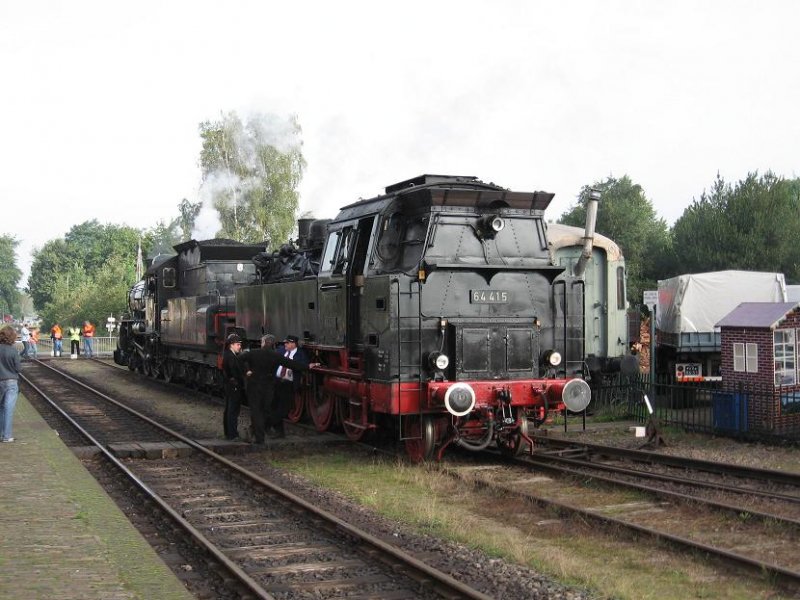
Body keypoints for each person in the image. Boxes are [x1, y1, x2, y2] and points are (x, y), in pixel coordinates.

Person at [240, 334, 311, 445]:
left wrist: (246, 372)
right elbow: (292, 364)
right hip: (268, 387)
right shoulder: (276, 355)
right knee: (264, 411)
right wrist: (308, 367)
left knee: (257, 411)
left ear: (263, 343)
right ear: (273, 344)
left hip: (255, 386)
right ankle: (260, 436)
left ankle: (258, 436)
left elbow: (239, 359)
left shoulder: (253, 353)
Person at [271, 334, 309, 438]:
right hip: (277, 382)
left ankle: (267, 423)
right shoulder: (280, 351)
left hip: (288, 383)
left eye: (287, 343)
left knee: (284, 409)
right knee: (274, 406)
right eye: (285, 343)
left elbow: (303, 366)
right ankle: (279, 432)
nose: (285, 345)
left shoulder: (300, 355)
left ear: (293, 344)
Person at [0, 325, 22, 442]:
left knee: (1, 408)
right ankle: (7, 436)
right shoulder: (13, 350)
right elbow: (18, 368)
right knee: (8, 408)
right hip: (11, 382)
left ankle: (1, 434)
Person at [221, 333, 245, 440]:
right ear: (231, 345)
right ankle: (232, 434)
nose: (239, 346)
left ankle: (229, 432)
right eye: (238, 344)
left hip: (230, 386)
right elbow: (233, 371)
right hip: (233, 386)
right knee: (233, 410)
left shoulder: (228, 355)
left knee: (230, 409)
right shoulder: (231, 356)